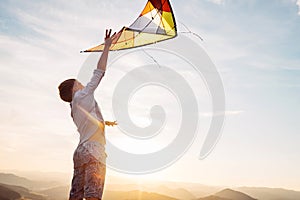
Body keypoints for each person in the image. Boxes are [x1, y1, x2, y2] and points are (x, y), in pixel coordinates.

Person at [58, 29, 117, 200]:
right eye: (79, 82)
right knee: (93, 195)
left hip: (80, 152)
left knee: (76, 195)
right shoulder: (82, 95)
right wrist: (107, 46)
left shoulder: (74, 107)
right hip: (94, 151)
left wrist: (106, 123)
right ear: (75, 88)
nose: (82, 84)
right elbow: (99, 72)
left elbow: (90, 119)